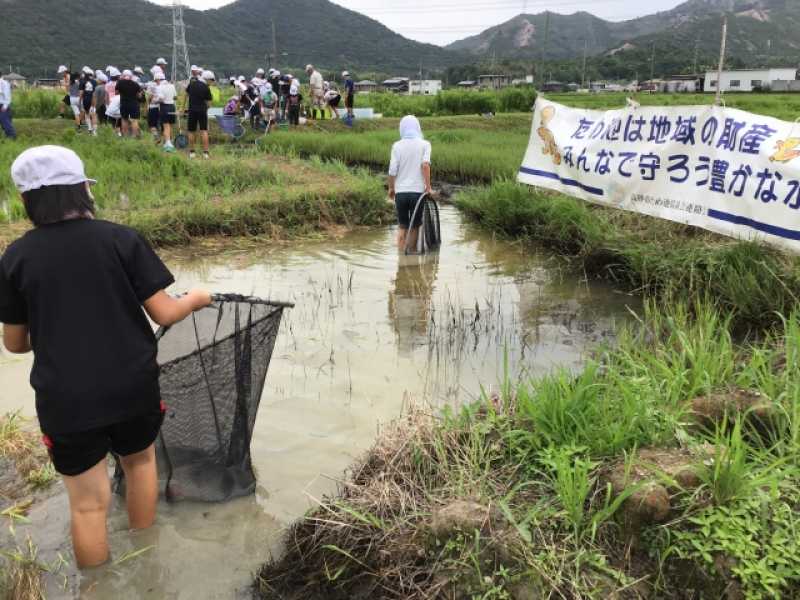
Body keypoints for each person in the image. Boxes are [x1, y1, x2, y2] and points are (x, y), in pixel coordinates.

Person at [1, 145, 212, 569]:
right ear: (83, 190)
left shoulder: (15, 258)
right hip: (131, 385)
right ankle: (145, 564)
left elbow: (15, 343)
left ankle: (99, 588)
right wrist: (196, 297)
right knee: (139, 464)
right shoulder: (120, 239)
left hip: (67, 400)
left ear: (25, 200)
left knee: (86, 507)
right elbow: (166, 312)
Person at [388, 116, 432, 252]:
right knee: (414, 226)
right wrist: (428, 187)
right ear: (417, 128)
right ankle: (411, 254)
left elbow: (392, 169)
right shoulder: (425, 144)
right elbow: (425, 165)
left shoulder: (397, 145)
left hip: (400, 193)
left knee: (402, 226)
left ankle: (401, 258)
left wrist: (391, 188)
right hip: (417, 193)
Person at [183, 71, 213, 159]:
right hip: (202, 111)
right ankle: (206, 153)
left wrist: (183, 107)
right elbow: (209, 103)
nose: (211, 82)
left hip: (192, 110)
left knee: (191, 131)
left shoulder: (192, 84)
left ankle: (192, 153)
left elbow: (186, 94)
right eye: (210, 80)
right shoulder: (206, 88)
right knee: (204, 131)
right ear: (206, 79)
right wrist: (205, 108)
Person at [154, 71, 177, 153]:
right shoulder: (172, 85)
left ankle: (168, 144)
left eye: (156, 81)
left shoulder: (159, 87)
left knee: (166, 126)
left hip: (165, 107)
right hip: (172, 107)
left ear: (158, 79)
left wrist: (155, 101)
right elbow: (175, 97)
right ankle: (169, 142)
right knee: (170, 126)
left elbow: (161, 98)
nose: (156, 82)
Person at [116, 70, 141, 138]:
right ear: (131, 76)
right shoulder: (135, 84)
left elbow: (116, 93)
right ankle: (134, 135)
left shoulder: (120, 83)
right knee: (134, 120)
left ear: (123, 76)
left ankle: (125, 135)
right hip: (134, 104)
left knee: (124, 119)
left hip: (124, 103)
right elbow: (139, 96)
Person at [146, 68, 163, 143]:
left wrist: (148, 103)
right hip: (162, 107)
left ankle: (156, 138)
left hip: (153, 107)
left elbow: (149, 97)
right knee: (160, 124)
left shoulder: (151, 85)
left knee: (152, 125)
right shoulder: (165, 85)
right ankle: (163, 139)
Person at [79, 68, 96, 135]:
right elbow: (95, 93)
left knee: (87, 114)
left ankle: (89, 129)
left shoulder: (82, 81)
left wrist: (79, 101)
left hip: (86, 99)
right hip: (93, 99)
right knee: (93, 115)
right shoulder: (95, 82)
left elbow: (81, 93)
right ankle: (94, 131)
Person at [0, 70, 16, 140]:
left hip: (3, 105)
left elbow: (7, 95)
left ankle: (12, 137)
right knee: (4, 122)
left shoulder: (4, 83)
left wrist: (5, 106)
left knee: (5, 122)